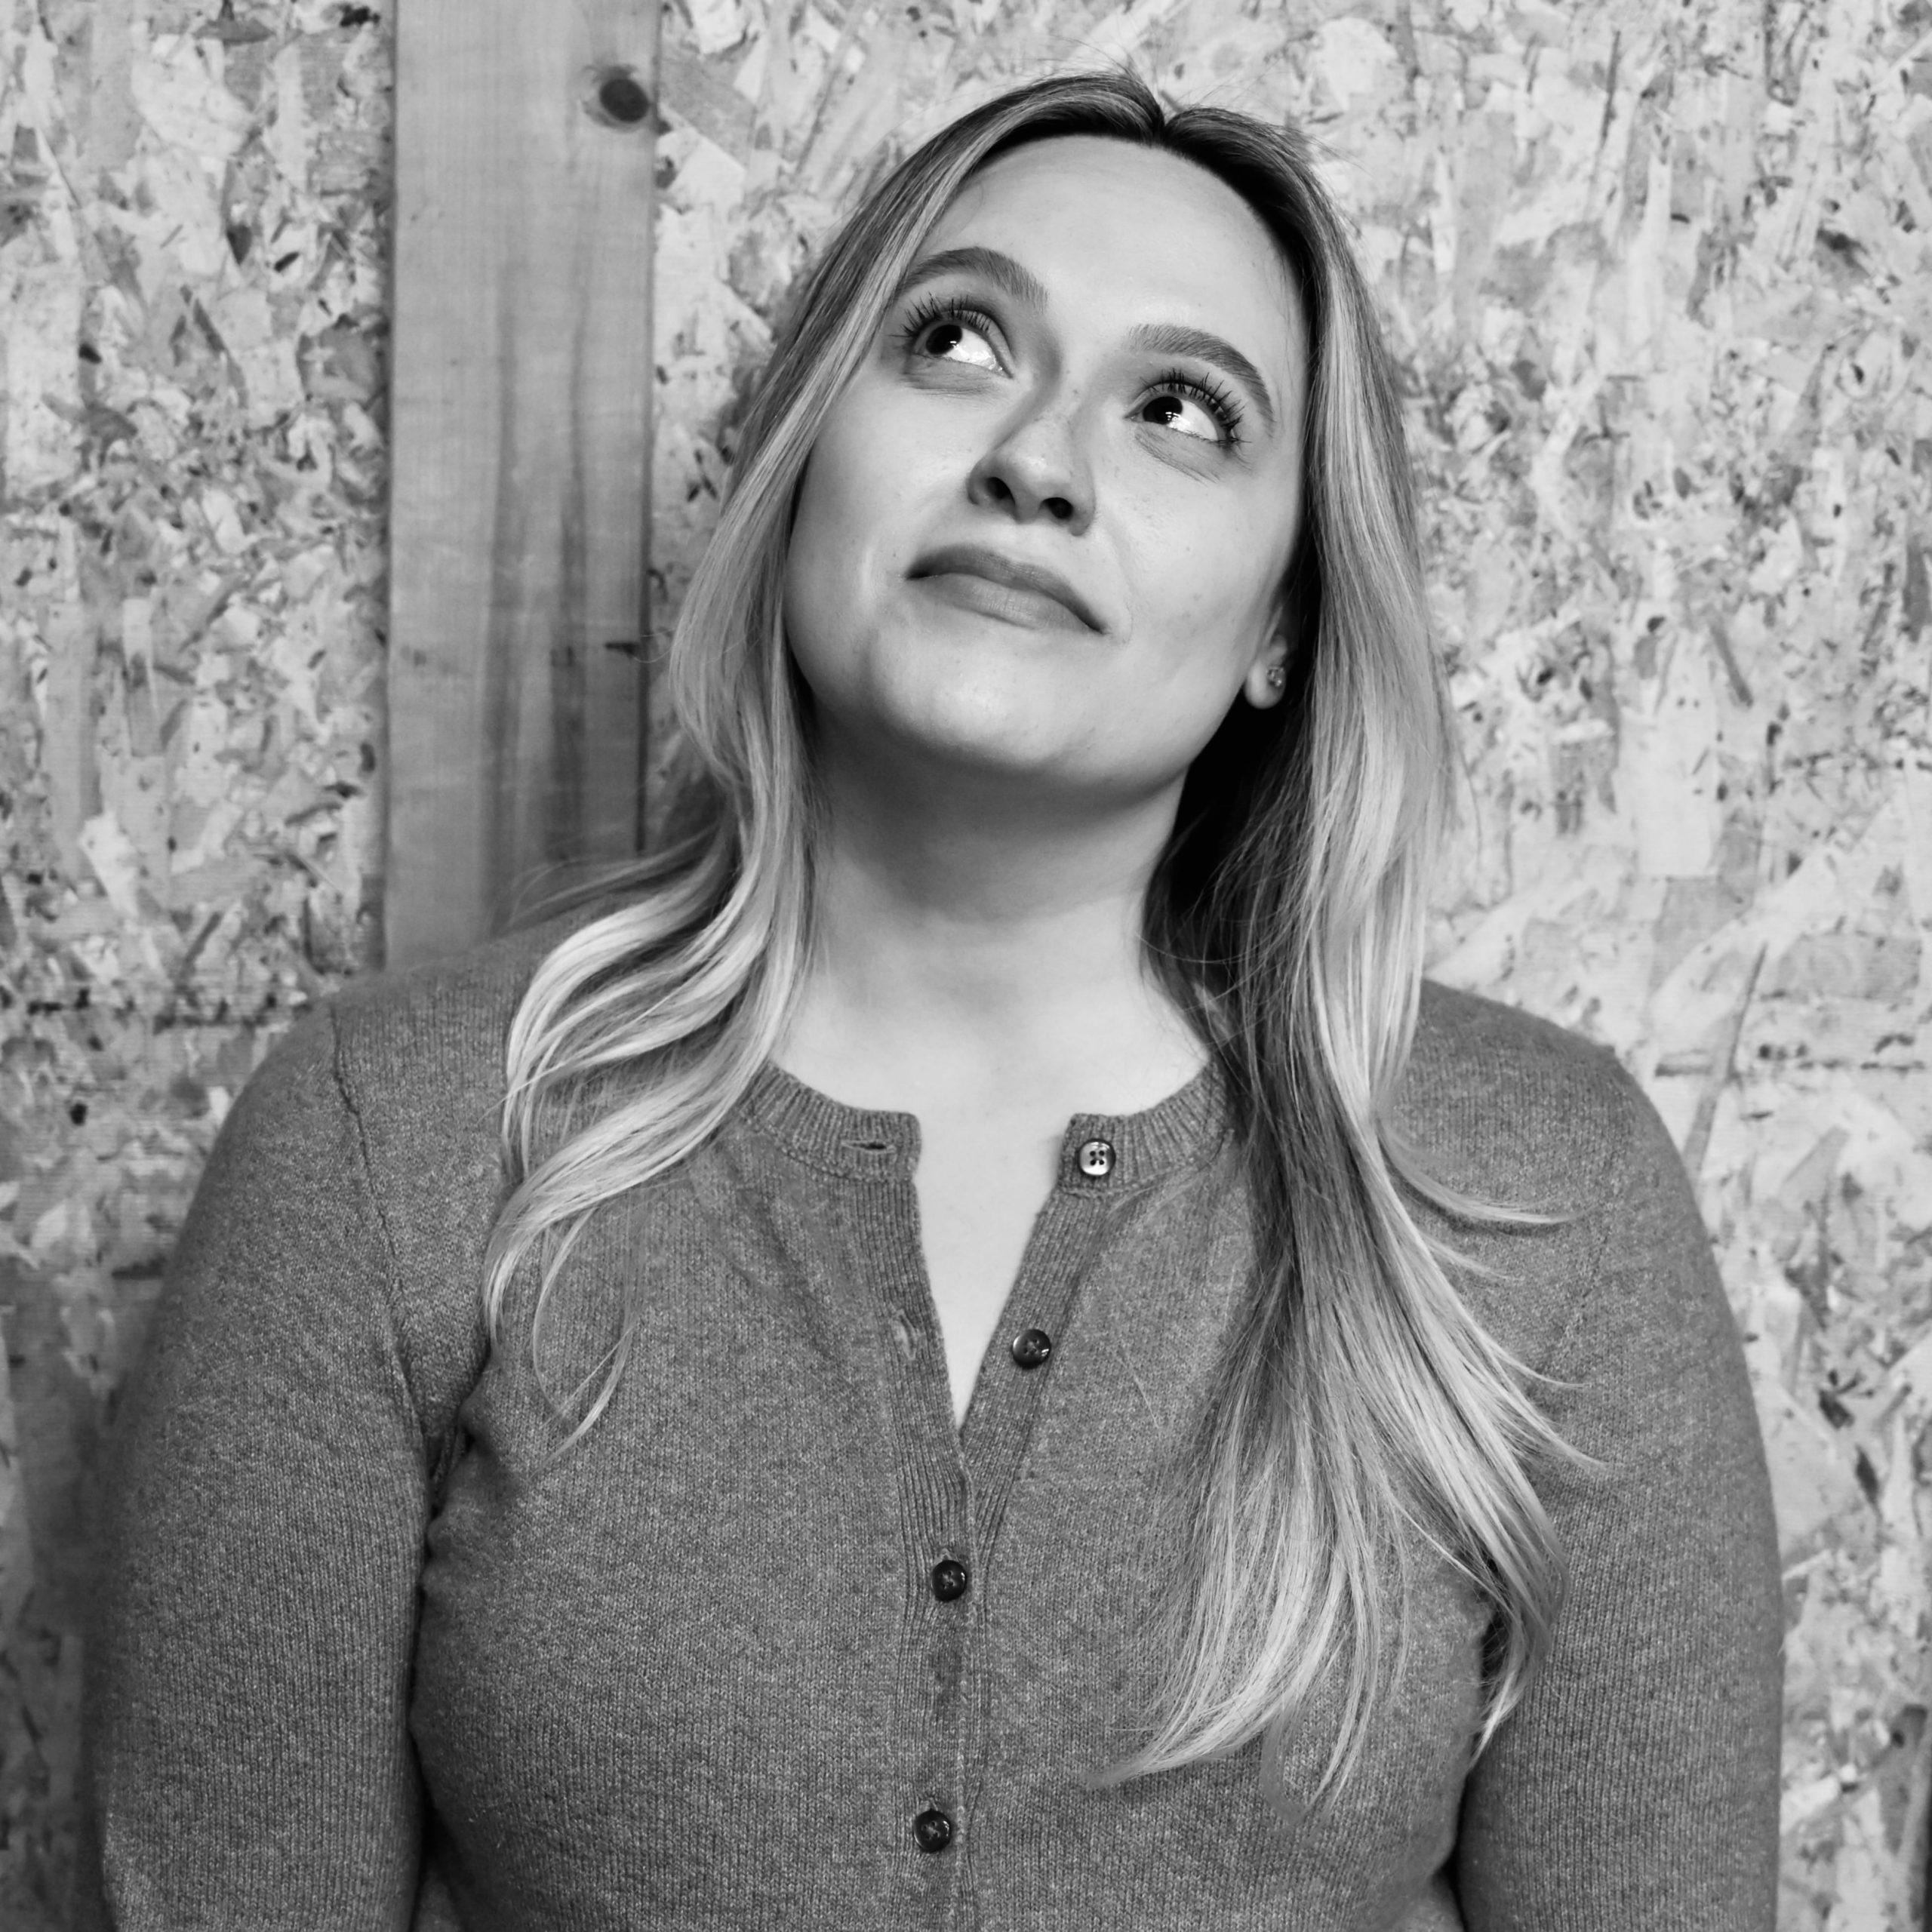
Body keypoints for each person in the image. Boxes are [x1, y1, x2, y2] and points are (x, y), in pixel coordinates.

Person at [78, 69, 1782, 1931]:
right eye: (956, 339)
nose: (1037, 460)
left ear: (1284, 622)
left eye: (1182, 410)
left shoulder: (1533, 1196)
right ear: (806, 453)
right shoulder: (387, 1147)